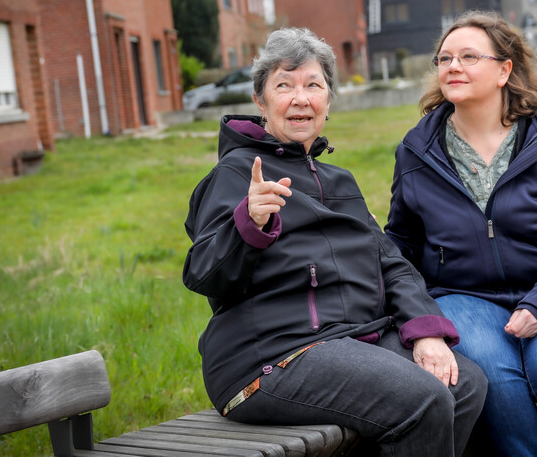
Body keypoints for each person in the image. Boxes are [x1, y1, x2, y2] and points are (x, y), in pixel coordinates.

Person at [183, 27, 487, 456]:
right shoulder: (235, 175)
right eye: (283, 86)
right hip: (270, 356)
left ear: (328, 100)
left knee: (465, 384)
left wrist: (425, 332)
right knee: (424, 398)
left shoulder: (339, 181)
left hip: (352, 339)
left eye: (313, 85)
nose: (300, 98)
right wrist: (248, 223)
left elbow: (391, 263)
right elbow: (202, 274)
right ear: (261, 101)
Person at [385, 10, 537, 456]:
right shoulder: (416, 153)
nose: (453, 66)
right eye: (445, 58)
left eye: (469, 56)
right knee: (493, 374)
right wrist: (418, 318)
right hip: (463, 296)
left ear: (504, 70)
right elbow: (400, 245)